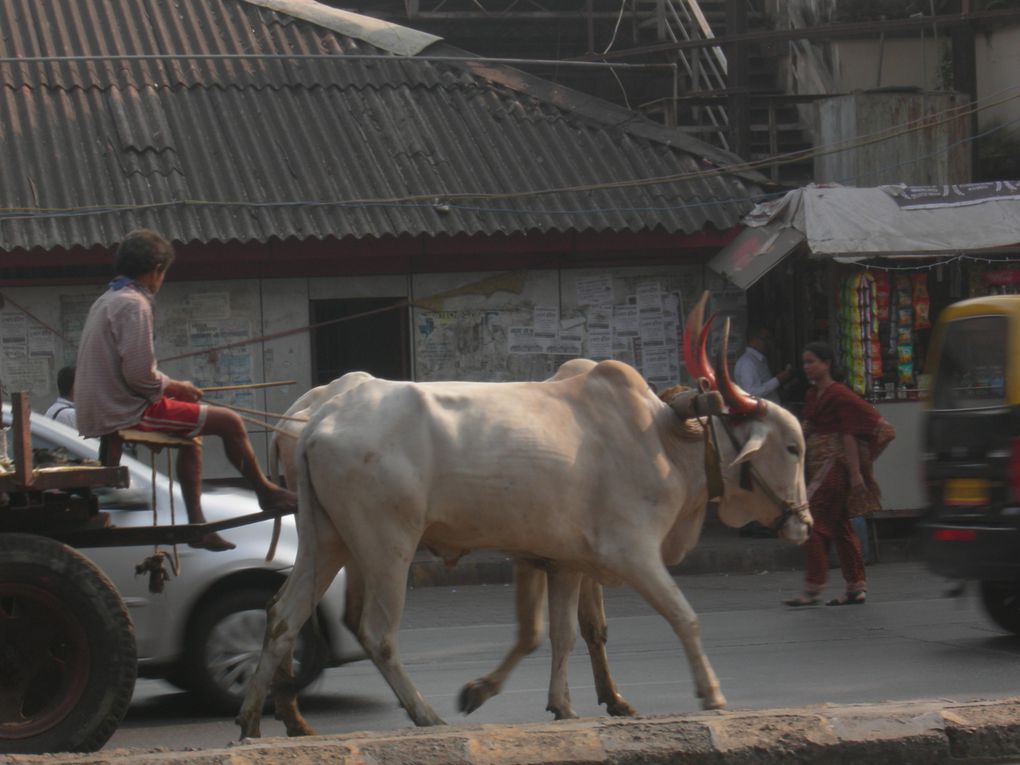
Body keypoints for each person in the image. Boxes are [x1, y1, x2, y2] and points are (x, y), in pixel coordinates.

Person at [75, 229, 296, 551]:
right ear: (156, 271)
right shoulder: (134, 304)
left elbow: (135, 372)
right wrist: (176, 387)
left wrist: (170, 388)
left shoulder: (108, 299)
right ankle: (266, 491)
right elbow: (138, 375)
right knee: (230, 422)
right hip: (124, 409)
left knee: (191, 440)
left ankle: (198, 526)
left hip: (108, 405)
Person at [784, 341, 894, 607]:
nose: (807, 367)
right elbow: (805, 428)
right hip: (817, 467)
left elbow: (865, 432)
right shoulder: (813, 395)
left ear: (827, 363)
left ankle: (813, 587)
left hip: (833, 470)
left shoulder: (840, 394)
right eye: (805, 363)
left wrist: (857, 472)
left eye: (812, 361)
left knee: (811, 524)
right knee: (841, 527)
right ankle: (856, 587)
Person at [733, 325, 793, 404]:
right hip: (760, 414)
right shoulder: (747, 363)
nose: (768, 343)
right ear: (753, 340)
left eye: (769, 339)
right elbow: (752, 393)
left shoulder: (759, 360)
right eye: (765, 339)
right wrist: (778, 379)